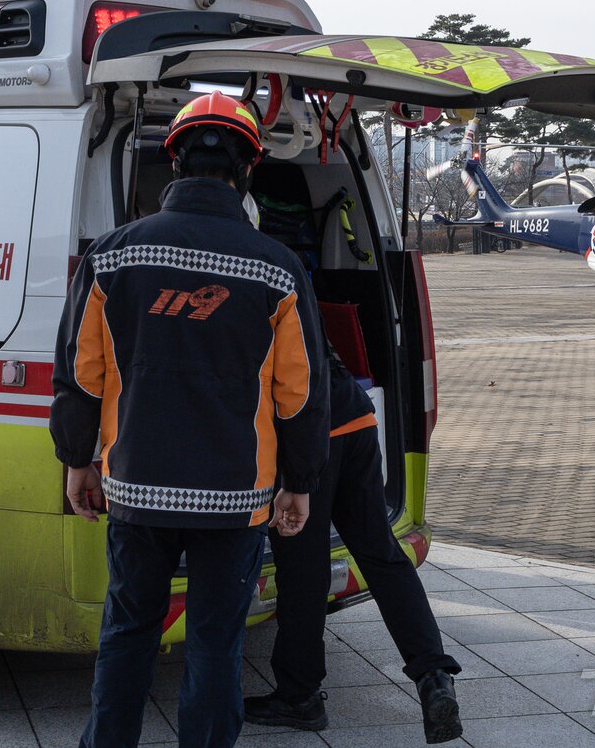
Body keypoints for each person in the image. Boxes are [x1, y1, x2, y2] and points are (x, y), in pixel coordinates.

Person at [51, 92, 331, 748]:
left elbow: (81, 374)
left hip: (136, 486)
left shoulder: (112, 257)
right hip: (235, 497)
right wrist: (300, 481)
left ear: (174, 163)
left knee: (128, 632)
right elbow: (299, 393)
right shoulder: (277, 270)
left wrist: (77, 459)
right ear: (248, 169)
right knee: (214, 643)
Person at [244, 351, 464, 744]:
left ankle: (299, 696)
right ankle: (434, 675)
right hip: (355, 416)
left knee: (303, 569)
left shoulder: (236, 308)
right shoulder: (300, 306)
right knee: (382, 555)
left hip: (304, 434)